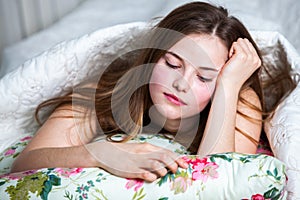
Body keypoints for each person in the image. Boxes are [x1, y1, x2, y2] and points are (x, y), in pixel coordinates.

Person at [11, 1, 296, 182]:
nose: (181, 83)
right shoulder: (108, 92)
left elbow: (215, 179)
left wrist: (228, 86)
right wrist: (98, 154)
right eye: (172, 64)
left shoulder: (238, 98)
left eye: (204, 77)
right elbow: (24, 163)